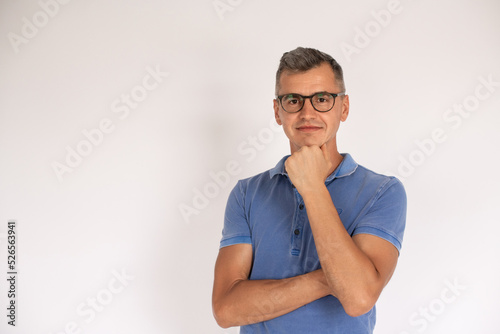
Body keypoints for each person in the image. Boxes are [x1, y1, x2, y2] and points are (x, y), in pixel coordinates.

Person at [212, 47, 407, 333]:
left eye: (322, 99)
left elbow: (358, 298)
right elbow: (226, 311)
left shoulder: (383, 192)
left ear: (344, 107)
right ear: (278, 111)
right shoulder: (247, 194)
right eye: (293, 100)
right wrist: (331, 278)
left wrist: (312, 187)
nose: (307, 113)